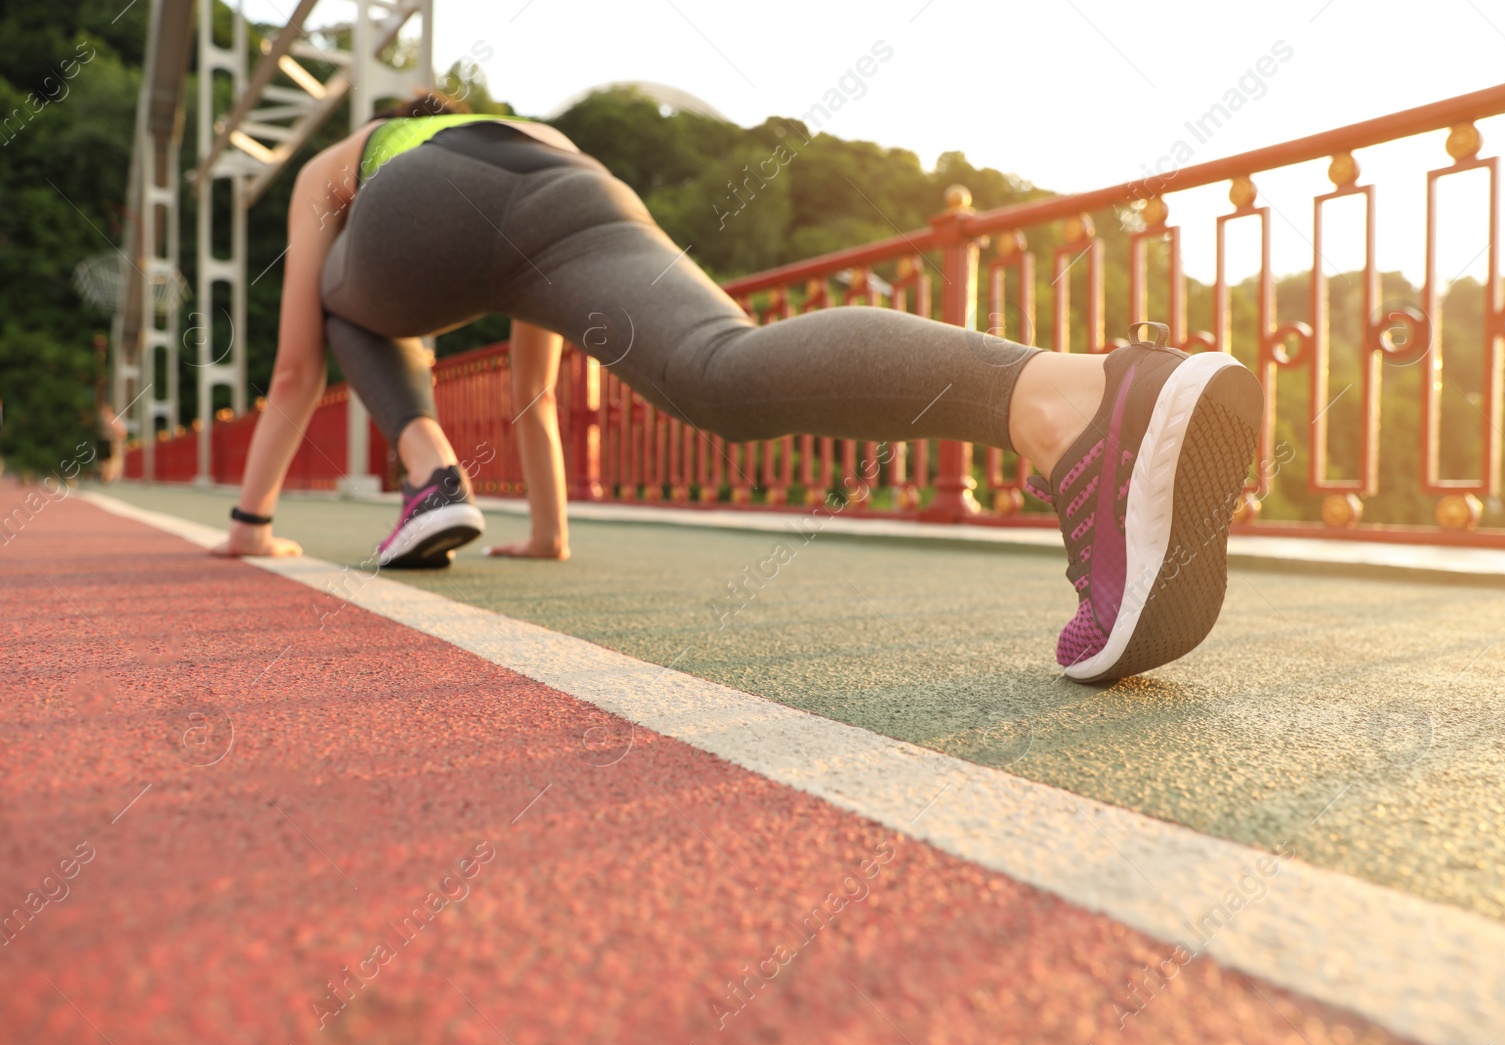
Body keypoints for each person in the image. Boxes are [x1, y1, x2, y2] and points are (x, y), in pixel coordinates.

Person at [214, 94, 1262, 681]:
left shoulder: (347, 166)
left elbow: (299, 364)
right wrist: (550, 529)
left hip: (413, 217)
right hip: (579, 191)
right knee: (719, 364)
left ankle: (428, 474)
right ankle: (1079, 397)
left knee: (343, 304)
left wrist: (253, 517)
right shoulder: (525, 138)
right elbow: (539, 384)